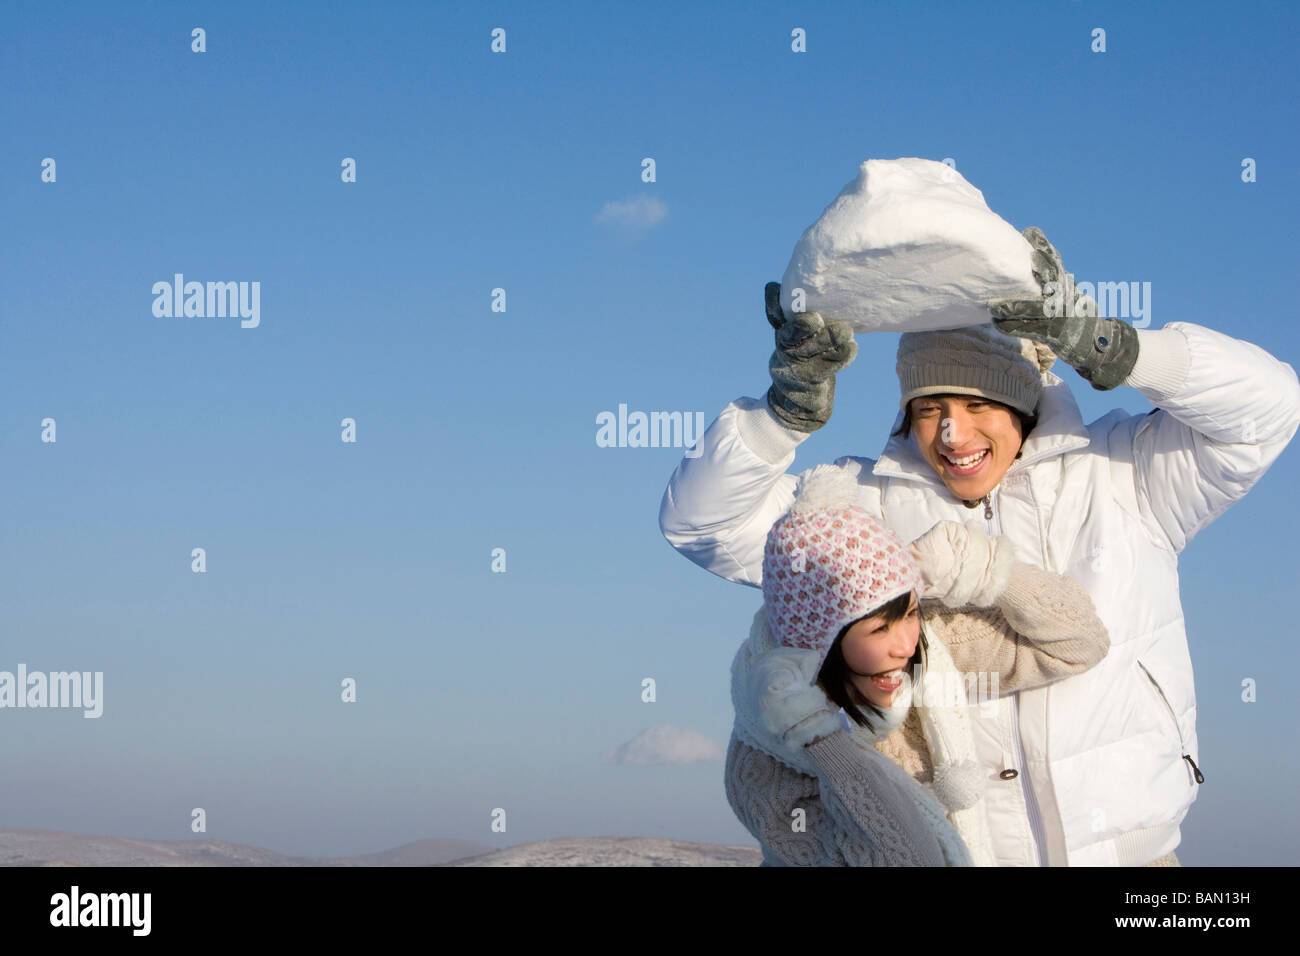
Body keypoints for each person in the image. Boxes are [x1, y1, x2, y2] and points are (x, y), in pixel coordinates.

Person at [661, 228, 1300, 865]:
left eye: (976, 402)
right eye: (929, 405)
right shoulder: (860, 509)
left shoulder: (1126, 471)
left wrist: (1118, 349)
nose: (951, 431)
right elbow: (703, 525)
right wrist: (782, 416)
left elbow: (1270, 410)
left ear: (1022, 403)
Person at [727, 464, 1110, 866]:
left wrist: (978, 565)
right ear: (822, 644)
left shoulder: (928, 657)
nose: (905, 644)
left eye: (910, 613)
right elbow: (906, 858)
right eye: (879, 629)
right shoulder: (761, 765)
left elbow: (1080, 641)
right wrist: (822, 741)